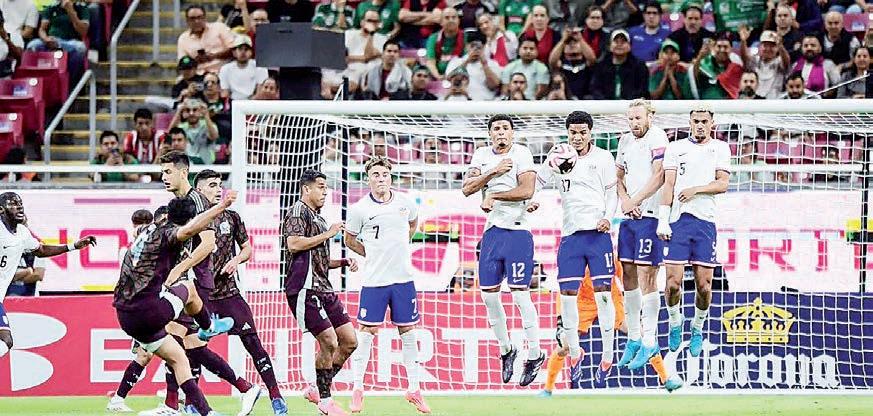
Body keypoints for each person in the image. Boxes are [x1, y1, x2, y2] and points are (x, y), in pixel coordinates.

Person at [141, 151, 260, 416]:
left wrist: (179, 269)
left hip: (196, 281)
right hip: (188, 280)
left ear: (183, 172)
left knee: (172, 337)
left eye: (168, 172)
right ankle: (244, 387)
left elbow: (208, 244)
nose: (164, 177)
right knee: (192, 345)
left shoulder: (197, 201)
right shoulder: (179, 203)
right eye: (162, 172)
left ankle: (172, 405)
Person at [112, 193, 237, 416]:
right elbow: (187, 231)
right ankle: (208, 327)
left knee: (179, 359)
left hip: (125, 316)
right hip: (147, 312)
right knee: (189, 288)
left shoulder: (148, 230)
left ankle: (207, 413)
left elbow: (147, 242)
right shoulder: (170, 233)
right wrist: (222, 206)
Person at [533, 111, 620, 385]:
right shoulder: (558, 156)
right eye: (573, 132)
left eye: (583, 132)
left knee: (603, 296)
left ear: (590, 133)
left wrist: (608, 217)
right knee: (568, 297)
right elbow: (537, 181)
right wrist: (532, 199)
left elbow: (612, 193)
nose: (578, 137)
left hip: (598, 235)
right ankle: (574, 351)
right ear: (567, 133)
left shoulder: (603, 158)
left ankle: (607, 355)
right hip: (571, 236)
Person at [194, 169, 287, 415]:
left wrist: (236, 260)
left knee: (254, 343)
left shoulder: (232, 217)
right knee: (193, 348)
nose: (218, 189)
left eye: (219, 184)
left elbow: (247, 249)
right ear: (199, 190)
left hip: (229, 293)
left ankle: (276, 396)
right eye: (212, 185)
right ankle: (193, 401)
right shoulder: (193, 220)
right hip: (201, 296)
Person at [462, 114, 544, 387]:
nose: (500, 132)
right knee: (488, 297)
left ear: (512, 133)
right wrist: (492, 173)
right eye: (496, 128)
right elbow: (467, 189)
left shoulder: (522, 153)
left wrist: (493, 194)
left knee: (520, 295)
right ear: (490, 134)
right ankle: (507, 349)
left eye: (505, 128)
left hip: (518, 232)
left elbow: (527, 190)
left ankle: (535, 353)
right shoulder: (481, 155)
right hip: (492, 233)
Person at [345, 156, 429, 413]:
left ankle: (414, 389)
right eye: (376, 175)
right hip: (375, 281)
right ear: (368, 179)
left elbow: (413, 224)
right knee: (367, 331)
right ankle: (357, 388)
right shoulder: (359, 209)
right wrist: (371, 253)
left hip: (403, 279)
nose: (381, 179)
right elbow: (349, 239)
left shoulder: (405, 203)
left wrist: (400, 245)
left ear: (390, 177)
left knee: (408, 331)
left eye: (385, 174)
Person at [613, 100, 680, 393]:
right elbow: (617, 177)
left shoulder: (658, 137)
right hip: (629, 217)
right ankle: (634, 337)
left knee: (647, 277)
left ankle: (650, 340)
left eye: (638, 117)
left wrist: (635, 200)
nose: (634, 123)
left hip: (649, 216)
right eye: (630, 118)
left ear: (650, 116)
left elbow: (659, 176)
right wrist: (625, 201)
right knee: (627, 274)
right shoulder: (624, 141)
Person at [656, 105, 730, 358]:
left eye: (704, 121)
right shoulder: (676, 148)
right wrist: (663, 220)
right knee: (672, 284)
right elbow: (668, 185)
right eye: (696, 121)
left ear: (712, 123)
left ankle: (697, 327)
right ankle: (675, 322)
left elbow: (722, 184)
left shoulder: (720, 148)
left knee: (705, 286)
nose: (700, 125)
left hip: (705, 224)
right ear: (689, 123)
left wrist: (696, 189)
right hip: (677, 222)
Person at [284, 169, 359, 416]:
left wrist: (343, 262)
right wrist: (329, 234)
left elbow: (319, 261)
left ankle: (317, 388)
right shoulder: (298, 211)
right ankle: (326, 402)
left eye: (326, 187)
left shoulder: (318, 218)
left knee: (349, 341)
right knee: (329, 341)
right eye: (320, 186)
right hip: (304, 288)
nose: (325, 191)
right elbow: (294, 244)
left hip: (324, 287)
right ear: (306, 189)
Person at [0, 192, 97, 358]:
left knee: (6, 341)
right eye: (13, 204)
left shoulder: (22, 233)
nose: (19, 207)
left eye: (20, 203)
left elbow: (41, 250)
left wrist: (73, 246)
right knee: (6, 340)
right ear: (1, 210)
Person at [27, 0, 88, 84]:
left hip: (70, 43)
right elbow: (42, 29)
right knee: (32, 45)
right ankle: (36, 83)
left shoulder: (81, 7)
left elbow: (83, 32)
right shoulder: (52, 7)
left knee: (80, 48)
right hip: (51, 40)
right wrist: (45, 39)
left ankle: (71, 85)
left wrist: (71, 12)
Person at [588, 29, 649, 100]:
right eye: (616, 41)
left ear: (630, 46)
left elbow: (642, 89)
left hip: (631, 104)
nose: (619, 44)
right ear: (610, 46)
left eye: (623, 42)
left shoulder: (639, 66)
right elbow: (595, 88)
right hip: (605, 104)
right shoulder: (601, 65)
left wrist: (628, 102)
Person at [176, 5, 235, 74]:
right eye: (192, 18)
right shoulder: (183, 38)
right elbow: (183, 61)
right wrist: (194, 60)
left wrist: (214, 56)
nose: (197, 21)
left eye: (199, 17)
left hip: (222, 72)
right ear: (187, 20)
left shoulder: (219, 28)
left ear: (205, 17)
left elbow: (233, 50)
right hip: (197, 74)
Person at [446, 31, 502, 100]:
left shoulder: (492, 64)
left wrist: (484, 65)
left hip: (482, 101)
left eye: (479, 46)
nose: (475, 49)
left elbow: (493, 86)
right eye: (472, 46)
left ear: (484, 47)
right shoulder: (456, 62)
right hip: (460, 99)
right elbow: (452, 80)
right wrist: (467, 61)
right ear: (466, 46)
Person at [738, 28, 789, 99]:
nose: (768, 49)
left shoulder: (779, 61)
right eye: (765, 45)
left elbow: (786, 62)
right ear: (760, 46)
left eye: (772, 46)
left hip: (774, 102)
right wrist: (743, 41)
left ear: (777, 48)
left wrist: (780, 45)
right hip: (756, 101)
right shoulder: (755, 60)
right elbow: (744, 57)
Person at [692, 33, 743, 99]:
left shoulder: (735, 68)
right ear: (713, 48)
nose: (722, 50)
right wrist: (700, 57)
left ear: (731, 49)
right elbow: (693, 77)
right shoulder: (705, 63)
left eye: (725, 47)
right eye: (719, 46)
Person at [218, 35, 268, 100]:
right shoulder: (225, 69)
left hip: (253, 102)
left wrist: (247, 103)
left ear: (251, 52)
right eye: (240, 49)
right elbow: (225, 93)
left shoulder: (260, 67)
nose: (243, 52)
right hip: (233, 102)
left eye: (246, 49)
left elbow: (260, 92)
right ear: (234, 52)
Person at [425, 7, 463, 80]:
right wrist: (438, 76)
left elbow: (466, 61)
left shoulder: (465, 37)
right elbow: (430, 62)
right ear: (441, 22)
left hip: (459, 76)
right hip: (438, 76)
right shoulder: (433, 38)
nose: (451, 20)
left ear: (459, 21)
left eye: (454, 17)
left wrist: (452, 76)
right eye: (447, 18)